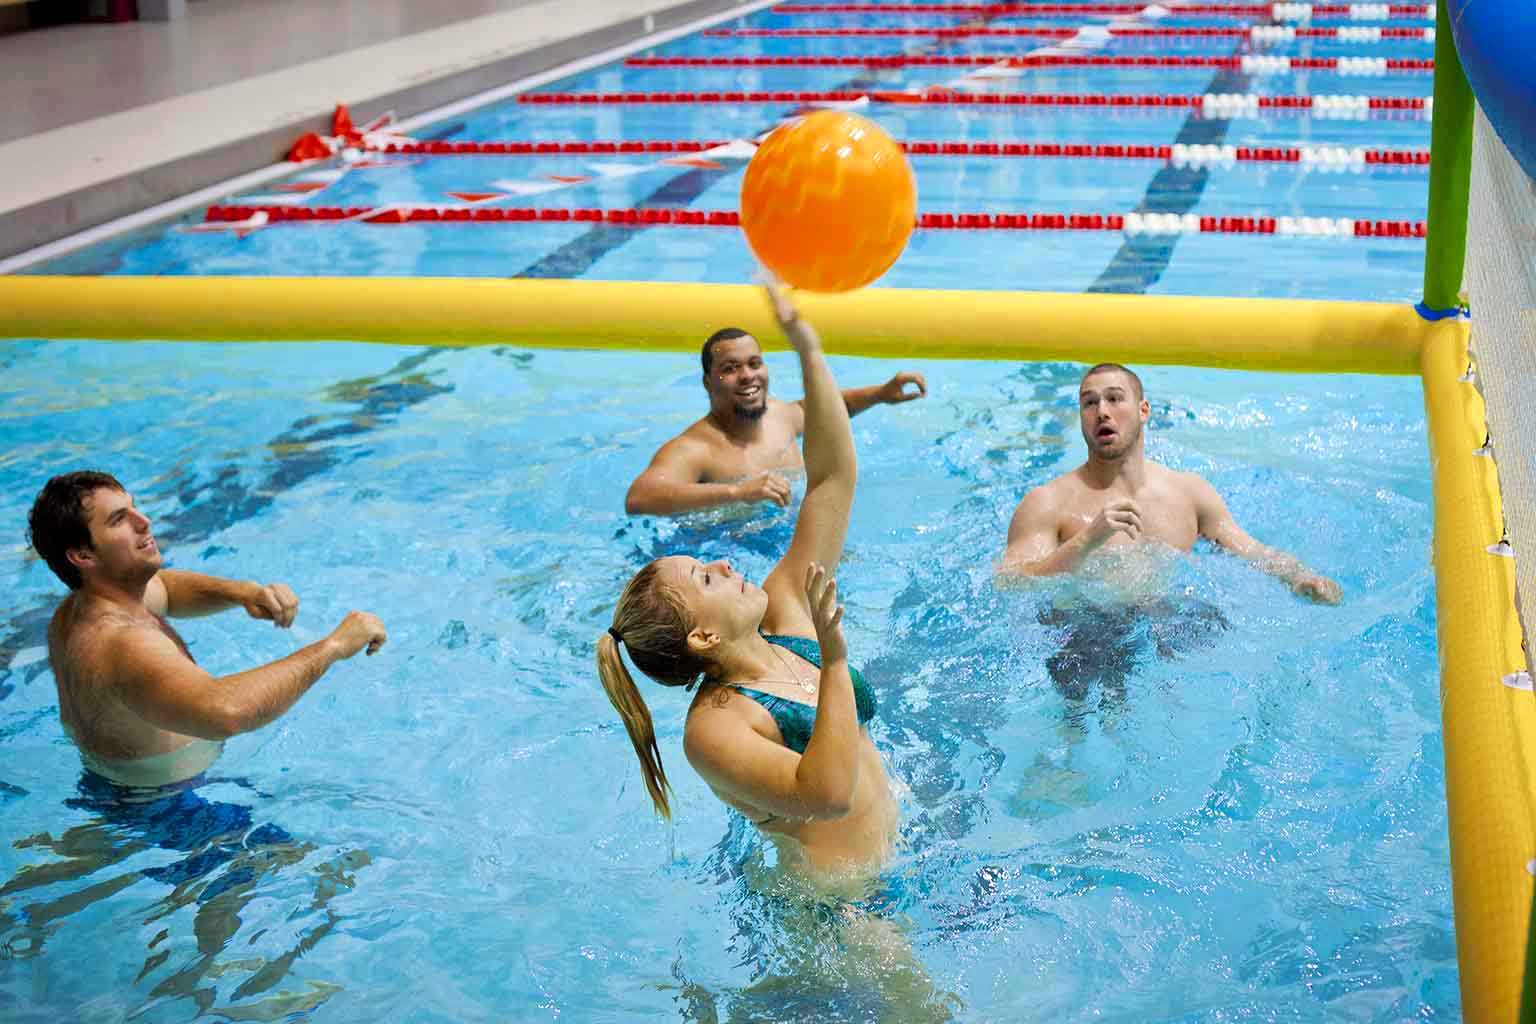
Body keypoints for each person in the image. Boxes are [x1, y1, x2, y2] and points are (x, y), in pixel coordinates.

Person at [26, 470, 388, 789]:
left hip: (111, 786)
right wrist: (334, 646)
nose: (144, 521)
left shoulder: (81, 607)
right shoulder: (123, 644)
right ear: (83, 556)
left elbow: (164, 589)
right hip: (173, 811)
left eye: (135, 507)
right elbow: (227, 712)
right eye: (120, 519)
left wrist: (241, 592)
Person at [996, 363, 1342, 604]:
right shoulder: (1048, 503)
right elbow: (1009, 583)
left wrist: (1299, 577)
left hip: (1170, 620)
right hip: (1085, 634)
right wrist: (1086, 541)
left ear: (1144, 410)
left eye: (1115, 398)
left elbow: (1252, 551)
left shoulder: (1189, 493)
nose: (1102, 411)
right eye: (1089, 402)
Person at [624, 325, 927, 516]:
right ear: (707, 382)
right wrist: (737, 493)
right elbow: (640, 498)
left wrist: (880, 394)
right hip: (723, 553)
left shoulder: (780, 417)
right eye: (730, 368)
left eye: (755, 364)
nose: (747, 376)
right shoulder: (694, 448)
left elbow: (832, 408)